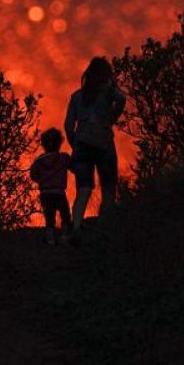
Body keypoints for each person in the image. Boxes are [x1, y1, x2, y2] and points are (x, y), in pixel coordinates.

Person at [64, 56, 126, 234]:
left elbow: (68, 126)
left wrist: (76, 144)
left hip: (82, 147)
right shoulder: (108, 93)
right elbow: (122, 100)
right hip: (104, 145)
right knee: (108, 188)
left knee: (83, 190)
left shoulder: (77, 96)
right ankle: (105, 228)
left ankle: (76, 228)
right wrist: (111, 119)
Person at [29, 127, 72, 245]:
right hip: (59, 193)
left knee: (49, 217)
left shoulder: (39, 161)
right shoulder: (63, 157)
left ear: (43, 144)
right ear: (59, 143)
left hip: (45, 193)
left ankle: (50, 238)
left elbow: (33, 175)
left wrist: (42, 180)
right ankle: (65, 236)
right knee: (65, 215)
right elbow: (73, 167)